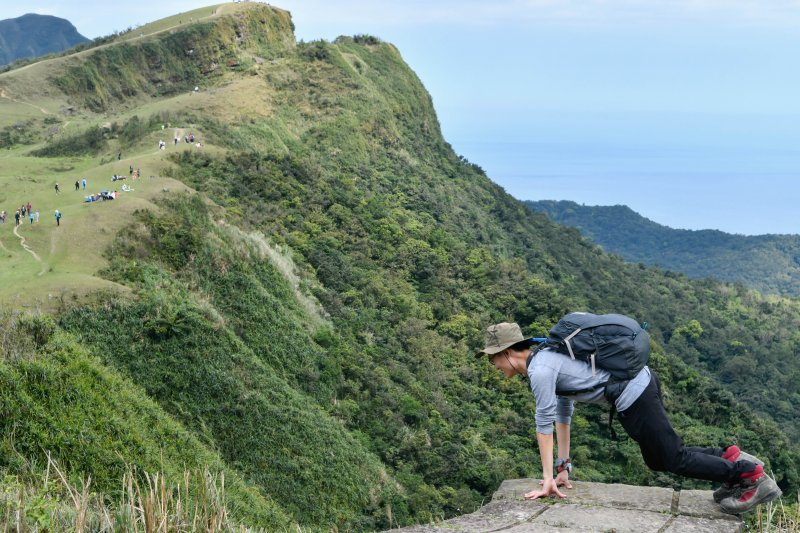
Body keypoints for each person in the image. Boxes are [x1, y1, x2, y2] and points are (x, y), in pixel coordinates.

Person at [476, 321, 782, 514]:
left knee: (673, 458)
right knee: (659, 458)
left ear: (504, 353)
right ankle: (729, 458)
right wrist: (562, 467)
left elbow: (544, 425)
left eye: (492, 359)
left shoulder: (539, 370)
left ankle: (749, 476)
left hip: (634, 393)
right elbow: (563, 411)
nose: (494, 366)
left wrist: (546, 481)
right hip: (636, 387)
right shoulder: (546, 356)